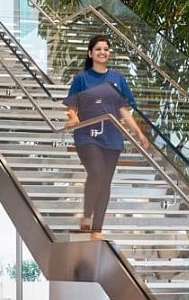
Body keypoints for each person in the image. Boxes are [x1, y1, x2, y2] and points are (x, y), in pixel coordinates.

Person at [63, 35, 149, 240]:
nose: (103, 52)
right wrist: (73, 117)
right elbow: (71, 107)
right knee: (97, 173)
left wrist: (138, 132)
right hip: (87, 135)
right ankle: (86, 214)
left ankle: (96, 229)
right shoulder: (81, 79)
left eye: (106, 49)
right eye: (98, 49)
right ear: (90, 53)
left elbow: (123, 110)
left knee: (106, 181)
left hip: (112, 136)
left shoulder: (117, 78)